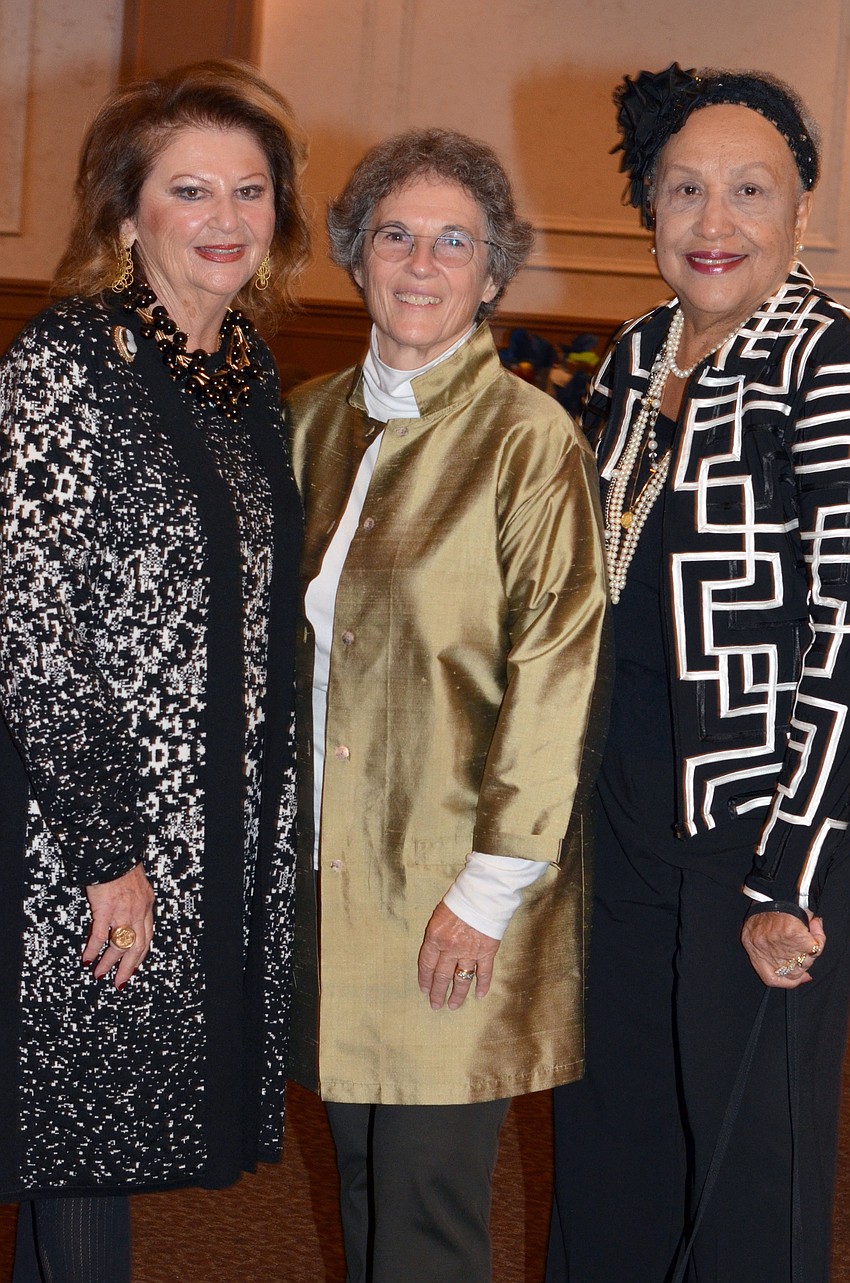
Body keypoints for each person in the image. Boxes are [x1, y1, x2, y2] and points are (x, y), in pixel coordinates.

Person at [0, 60, 308, 1282]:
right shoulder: (67, 362)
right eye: (191, 190)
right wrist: (105, 847)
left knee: (101, 1134)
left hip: (197, 822)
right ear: (127, 215)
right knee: (79, 1133)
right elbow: (29, 621)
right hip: (79, 827)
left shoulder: (242, 368)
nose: (227, 219)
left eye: (250, 190)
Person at [286, 127, 609, 1283]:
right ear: (355, 256)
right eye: (396, 235)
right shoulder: (312, 420)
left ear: (492, 270)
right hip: (331, 879)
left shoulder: (529, 439)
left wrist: (484, 894)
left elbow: (557, 673)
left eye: (453, 241)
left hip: (455, 891)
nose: (421, 264)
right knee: (364, 1178)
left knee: (426, 1206)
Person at [547, 64, 850, 1283]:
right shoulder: (630, 357)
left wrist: (795, 872)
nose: (712, 224)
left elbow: (847, 631)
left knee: (742, 1174)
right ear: (647, 209)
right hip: (618, 830)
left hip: (754, 840)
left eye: (747, 190)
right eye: (684, 190)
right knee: (611, 1143)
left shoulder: (827, 365)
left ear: (800, 213)